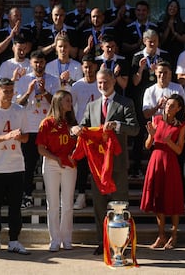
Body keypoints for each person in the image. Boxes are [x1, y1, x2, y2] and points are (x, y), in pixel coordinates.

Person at [70, 68, 139, 255]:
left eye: (105, 82)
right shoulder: (92, 105)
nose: (102, 85)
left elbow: (135, 129)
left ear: (113, 81)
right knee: (99, 207)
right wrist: (75, 130)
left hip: (116, 164)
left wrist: (117, 125)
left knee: (120, 205)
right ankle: (103, 242)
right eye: (99, 82)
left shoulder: (125, 102)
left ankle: (121, 243)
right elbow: (84, 126)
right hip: (97, 166)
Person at [0, 78, 30, 255]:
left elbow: (26, 137)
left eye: (11, 90)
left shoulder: (20, 110)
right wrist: (6, 137)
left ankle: (14, 240)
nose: (9, 94)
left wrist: (18, 137)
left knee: (15, 207)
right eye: (5, 91)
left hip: (16, 165)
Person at [15, 50, 60, 209]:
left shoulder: (53, 80)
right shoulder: (23, 80)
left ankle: (54, 197)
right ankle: (26, 195)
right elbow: (18, 103)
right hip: (30, 127)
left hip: (48, 127)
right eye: (35, 62)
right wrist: (28, 92)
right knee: (28, 163)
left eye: (41, 62)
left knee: (51, 162)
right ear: (31, 63)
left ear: (45, 63)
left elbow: (57, 103)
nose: (38, 65)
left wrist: (44, 92)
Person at [140, 94, 185, 250]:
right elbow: (147, 145)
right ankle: (161, 235)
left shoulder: (180, 125)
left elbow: (179, 150)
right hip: (156, 160)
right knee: (157, 198)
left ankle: (174, 235)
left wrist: (169, 142)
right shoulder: (157, 120)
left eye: (172, 105)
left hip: (170, 162)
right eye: (167, 104)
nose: (168, 107)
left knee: (172, 199)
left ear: (178, 108)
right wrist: (151, 135)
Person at [36, 90, 78, 251]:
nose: (70, 103)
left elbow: (79, 145)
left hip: (70, 165)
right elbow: (41, 149)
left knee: (67, 203)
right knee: (52, 203)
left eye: (70, 100)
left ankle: (67, 239)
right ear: (59, 102)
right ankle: (54, 239)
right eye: (67, 101)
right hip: (52, 164)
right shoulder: (46, 123)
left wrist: (75, 155)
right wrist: (56, 158)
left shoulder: (73, 123)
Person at [129, 29, 171, 178]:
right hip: (143, 99)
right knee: (140, 133)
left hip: (161, 97)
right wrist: (141, 68)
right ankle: (136, 166)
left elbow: (169, 77)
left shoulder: (164, 55)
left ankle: (160, 165)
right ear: (144, 41)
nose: (152, 43)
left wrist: (158, 71)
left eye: (155, 40)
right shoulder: (137, 57)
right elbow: (134, 82)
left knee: (162, 132)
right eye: (149, 41)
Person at [70, 54, 101, 210]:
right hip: (82, 132)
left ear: (96, 66)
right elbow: (70, 108)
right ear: (82, 68)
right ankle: (81, 195)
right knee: (81, 165)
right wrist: (75, 127)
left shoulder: (101, 84)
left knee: (99, 164)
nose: (88, 69)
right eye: (85, 66)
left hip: (98, 132)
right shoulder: (76, 86)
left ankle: (100, 197)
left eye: (91, 66)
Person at [158, 0, 185, 70]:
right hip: (164, 52)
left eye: (175, 7)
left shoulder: (181, 23)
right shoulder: (161, 22)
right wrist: (168, 27)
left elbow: (184, 39)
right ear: (168, 7)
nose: (173, 9)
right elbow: (161, 40)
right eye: (171, 6)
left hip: (178, 52)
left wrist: (174, 31)